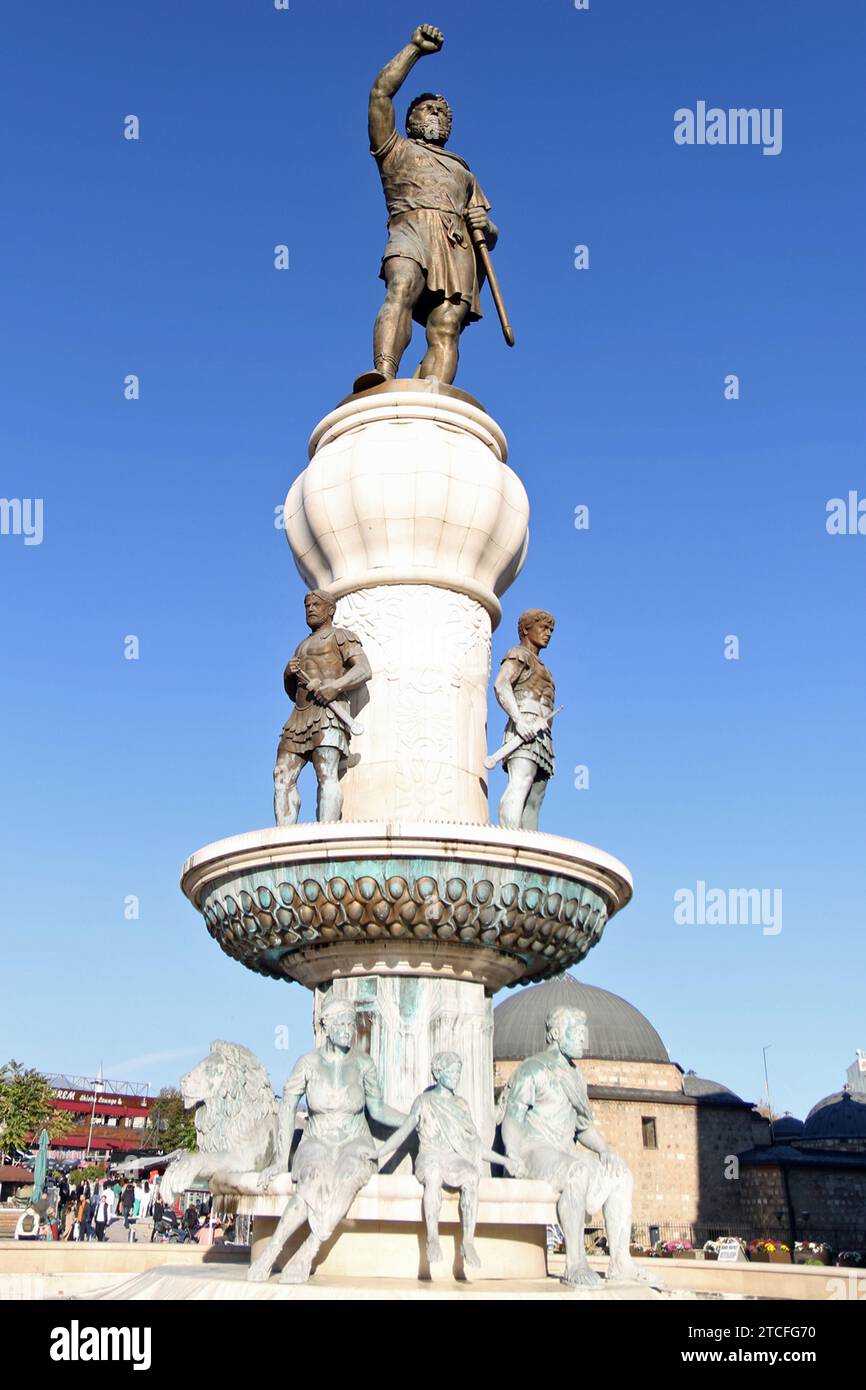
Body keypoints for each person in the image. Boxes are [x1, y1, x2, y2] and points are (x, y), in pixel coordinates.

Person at [363, 24, 499, 386]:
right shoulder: (395, 150)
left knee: (446, 325)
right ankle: (383, 371)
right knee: (402, 285)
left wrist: (485, 226)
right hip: (410, 230)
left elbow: (487, 228)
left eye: (442, 112)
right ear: (410, 121)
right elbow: (380, 94)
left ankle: (433, 393)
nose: (436, 115)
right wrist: (414, 49)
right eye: (427, 110)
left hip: (455, 246)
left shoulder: (463, 171)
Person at [500, 1005, 661, 1289]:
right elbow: (512, 1118)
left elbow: (583, 1127)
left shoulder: (576, 1076)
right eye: (579, 1034)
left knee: (620, 1174)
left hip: (565, 1151)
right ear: (558, 1034)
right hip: (535, 1150)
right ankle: (575, 1262)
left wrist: (604, 1151)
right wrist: (512, 1154)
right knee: (576, 1172)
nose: (584, 1041)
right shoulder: (533, 1069)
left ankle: (620, 1262)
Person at [248, 997, 406, 1284]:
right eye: (341, 1023)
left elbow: (378, 1110)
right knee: (312, 1180)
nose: (348, 1029)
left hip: (355, 1140)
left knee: (347, 1179)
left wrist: (412, 1120)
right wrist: (280, 1160)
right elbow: (287, 1106)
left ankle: (310, 1249)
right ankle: (273, 1249)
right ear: (327, 1027)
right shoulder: (308, 1063)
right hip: (317, 1139)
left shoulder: (363, 1063)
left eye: (351, 1023)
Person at [375, 1051, 513, 1275]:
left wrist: (505, 1160)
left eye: (458, 1071)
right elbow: (403, 1133)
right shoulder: (424, 1102)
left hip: (454, 1157)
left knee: (471, 1175)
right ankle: (432, 1237)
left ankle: (468, 1240)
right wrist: (379, 1152)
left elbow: (475, 1146)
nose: (456, 1076)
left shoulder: (461, 1105)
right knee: (433, 1173)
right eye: (452, 1071)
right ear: (438, 1074)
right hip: (430, 1154)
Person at [274, 590, 371, 825]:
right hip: (299, 716)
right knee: (281, 773)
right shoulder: (302, 646)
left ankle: (325, 832)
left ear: (330, 609)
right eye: (307, 605)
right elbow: (292, 692)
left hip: (329, 714)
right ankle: (284, 836)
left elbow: (364, 669)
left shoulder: (341, 637)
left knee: (326, 773)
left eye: (316, 604)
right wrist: (288, 674)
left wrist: (335, 686)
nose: (310, 609)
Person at [493, 609, 557, 831]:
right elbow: (501, 684)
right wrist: (518, 720)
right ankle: (511, 842)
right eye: (543, 627)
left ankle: (528, 845)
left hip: (543, 735)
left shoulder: (544, 669)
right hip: (525, 725)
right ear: (526, 629)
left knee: (535, 798)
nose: (548, 633)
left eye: (551, 630)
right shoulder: (518, 654)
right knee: (520, 783)